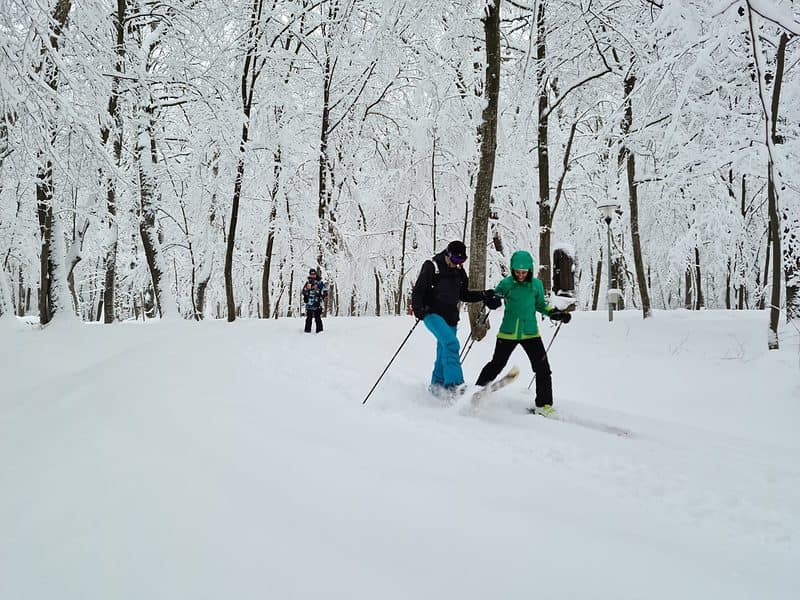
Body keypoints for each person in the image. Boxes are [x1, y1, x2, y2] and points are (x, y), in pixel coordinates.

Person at [475, 250, 571, 416]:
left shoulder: (536, 285)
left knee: (543, 369)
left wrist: (555, 313)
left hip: (530, 333)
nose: (520, 275)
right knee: (496, 364)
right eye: (517, 272)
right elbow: (496, 297)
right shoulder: (506, 284)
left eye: (524, 272)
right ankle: (476, 393)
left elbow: (541, 305)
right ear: (512, 270)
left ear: (530, 270)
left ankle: (544, 405)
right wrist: (492, 300)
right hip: (508, 332)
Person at [411, 240, 498, 397]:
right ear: (447, 254)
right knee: (451, 344)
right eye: (455, 260)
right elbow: (418, 291)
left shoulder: (459, 271)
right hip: (432, 314)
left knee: (443, 350)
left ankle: (437, 387)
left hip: (451, 317)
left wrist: (483, 295)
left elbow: (464, 295)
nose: (456, 264)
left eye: (461, 261)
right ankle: (455, 387)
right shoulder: (432, 266)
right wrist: (419, 310)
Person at [302, 268, 328, 333]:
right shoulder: (307, 282)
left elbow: (325, 292)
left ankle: (320, 332)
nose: (313, 275)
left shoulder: (320, 282)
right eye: (311, 274)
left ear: (316, 274)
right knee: (309, 318)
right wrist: (305, 294)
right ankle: (307, 331)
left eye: (314, 274)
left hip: (317, 303)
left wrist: (320, 297)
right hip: (309, 304)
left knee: (317, 318)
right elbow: (303, 291)